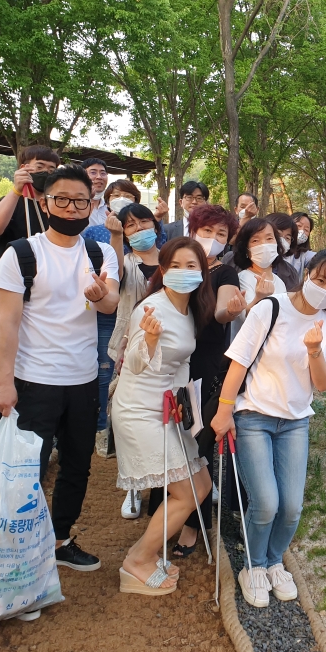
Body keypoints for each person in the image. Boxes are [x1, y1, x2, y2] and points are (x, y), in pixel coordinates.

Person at [0, 165, 120, 604]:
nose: (71, 207)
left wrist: (102, 297)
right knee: (27, 470)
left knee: (78, 466)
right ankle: (16, 552)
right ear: (43, 202)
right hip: (34, 383)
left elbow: (113, 304)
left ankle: (61, 539)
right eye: (61, 199)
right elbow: (6, 326)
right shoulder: (21, 255)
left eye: (80, 201)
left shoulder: (101, 254)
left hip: (84, 380)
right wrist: (3, 384)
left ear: (92, 206)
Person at [211, 249, 326, 608]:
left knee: (291, 506)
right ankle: (254, 566)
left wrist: (315, 351)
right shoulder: (270, 308)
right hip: (254, 416)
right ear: (307, 273)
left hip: (295, 423)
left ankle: (274, 561)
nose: (325, 289)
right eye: (320, 279)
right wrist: (225, 411)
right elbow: (239, 363)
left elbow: (322, 384)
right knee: (266, 503)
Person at [110, 238, 215, 594]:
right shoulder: (149, 309)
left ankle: (145, 554)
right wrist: (150, 341)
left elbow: (182, 362)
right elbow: (134, 363)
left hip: (170, 407)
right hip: (140, 408)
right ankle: (137, 559)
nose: (184, 273)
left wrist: (188, 404)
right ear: (163, 270)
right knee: (186, 492)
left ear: (202, 272)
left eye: (192, 266)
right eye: (176, 266)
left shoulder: (189, 309)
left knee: (202, 486)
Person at [172, 204, 247, 555]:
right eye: (207, 231)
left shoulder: (225, 273)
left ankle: (192, 523)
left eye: (221, 234)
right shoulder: (175, 264)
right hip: (168, 366)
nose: (213, 239)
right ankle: (167, 510)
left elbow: (222, 310)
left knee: (194, 444)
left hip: (203, 371)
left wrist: (231, 311)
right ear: (192, 229)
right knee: (169, 441)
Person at [0, 144, 59, 433]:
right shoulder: (11, 202)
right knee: (3, 367)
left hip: (44, 297)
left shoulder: (53, 204)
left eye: (51, 170)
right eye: (39, 167)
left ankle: (31, 435)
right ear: (23, 167)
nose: (45, 174)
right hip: (9, 296)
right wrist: (15, 192)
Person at [105, 204, 164, 480]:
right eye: (131, 225)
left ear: (155, 224)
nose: (139, 229)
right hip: (131, 347)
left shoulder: (170, 258)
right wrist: (115, 238)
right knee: (132, 415)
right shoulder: (125, 261)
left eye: (144, 222)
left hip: (167, 347)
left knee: (162, 413)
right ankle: (132, 483)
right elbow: (113, 278)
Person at [230, 218, 289, 339]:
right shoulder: (244, 278)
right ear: (246, 249)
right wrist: (259, 297)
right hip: (248, 350)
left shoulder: (279, 282)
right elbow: (245, 316)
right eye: (256, 240)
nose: (264, 245)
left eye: (269, 238)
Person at [266, 212, 302, 290]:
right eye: (278, 235)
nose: (282, 241)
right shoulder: (235, 261)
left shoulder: (291, 273)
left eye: (287, 238)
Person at [83, 158, 110, 227]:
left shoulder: (110, 207)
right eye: (93, 173)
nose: (99, 177)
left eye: (103, 173)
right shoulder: (75, 206)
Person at [287, 211, 315, 277]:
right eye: (299, 226)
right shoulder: (274, 248)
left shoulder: (304, 255)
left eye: (306, 230)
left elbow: (320, 258)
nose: (302, 231)